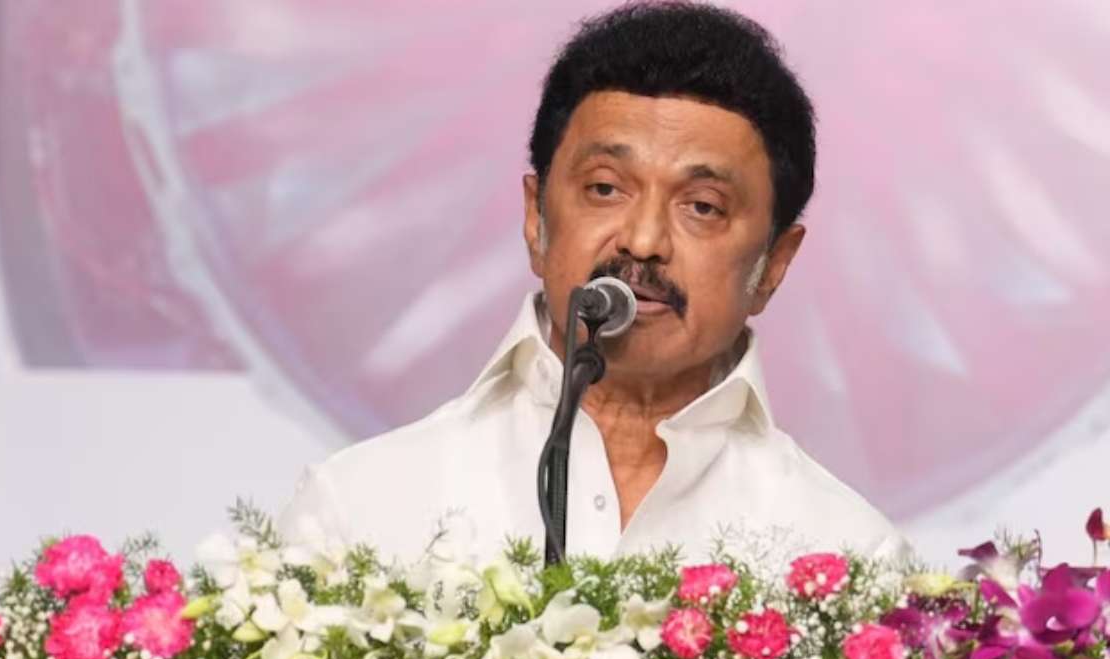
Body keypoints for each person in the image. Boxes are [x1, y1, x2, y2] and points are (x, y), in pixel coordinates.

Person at [278, 1, 912, 569]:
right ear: (536, 221)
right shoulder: (359, 511)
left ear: (773, 266)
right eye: (606, 188)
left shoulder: (852, 561)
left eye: (702, 206)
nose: (643, 240)